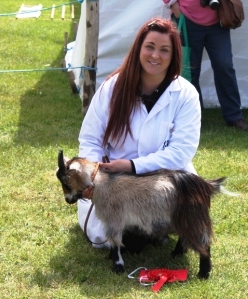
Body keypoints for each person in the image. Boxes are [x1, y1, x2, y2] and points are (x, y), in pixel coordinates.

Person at [77, 17, 201, 250]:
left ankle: (154, 228)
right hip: (115, 180)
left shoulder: (186, 95)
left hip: (165, 177)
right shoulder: (112, 87)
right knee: (102, 236)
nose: (156, 55)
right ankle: (142, 231)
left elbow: (181, 152)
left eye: (165, 50)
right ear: (138, 49)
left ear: (174, 55)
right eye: (150, 47)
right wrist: (93, 178)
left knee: (188, 215)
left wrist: (132, 165)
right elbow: (91, 139)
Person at [162, 0, 248, 131]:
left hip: (218, 21)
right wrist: (173, 5)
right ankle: (192, 116)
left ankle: (234, 116)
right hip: (187, 19)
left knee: (224, 66)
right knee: (189, 71)